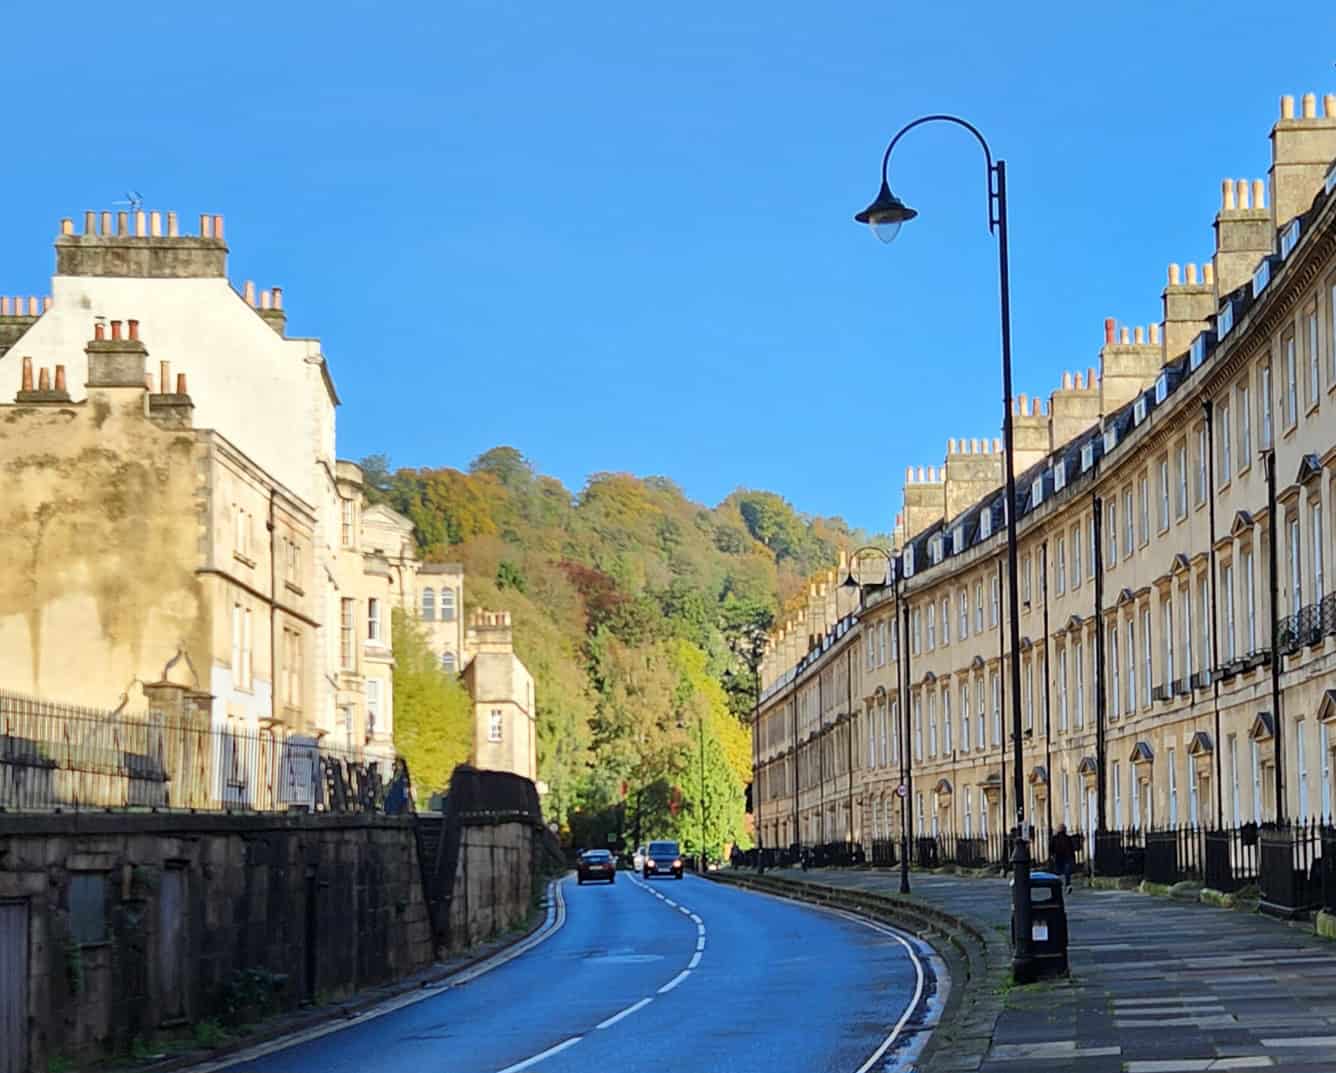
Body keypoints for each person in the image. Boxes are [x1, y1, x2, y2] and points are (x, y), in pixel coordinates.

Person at [1050, 824, 1075, 893]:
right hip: (1066, 857)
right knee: (1067, 873)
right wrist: (1073, 858)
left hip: (1058, 857)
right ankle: (1067, 885)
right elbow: (1071, 848)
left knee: (1058, 872)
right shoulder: (1067, 838)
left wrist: (1052, 855)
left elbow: (1051, 848)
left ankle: (1057, 886)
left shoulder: (1054, 838)